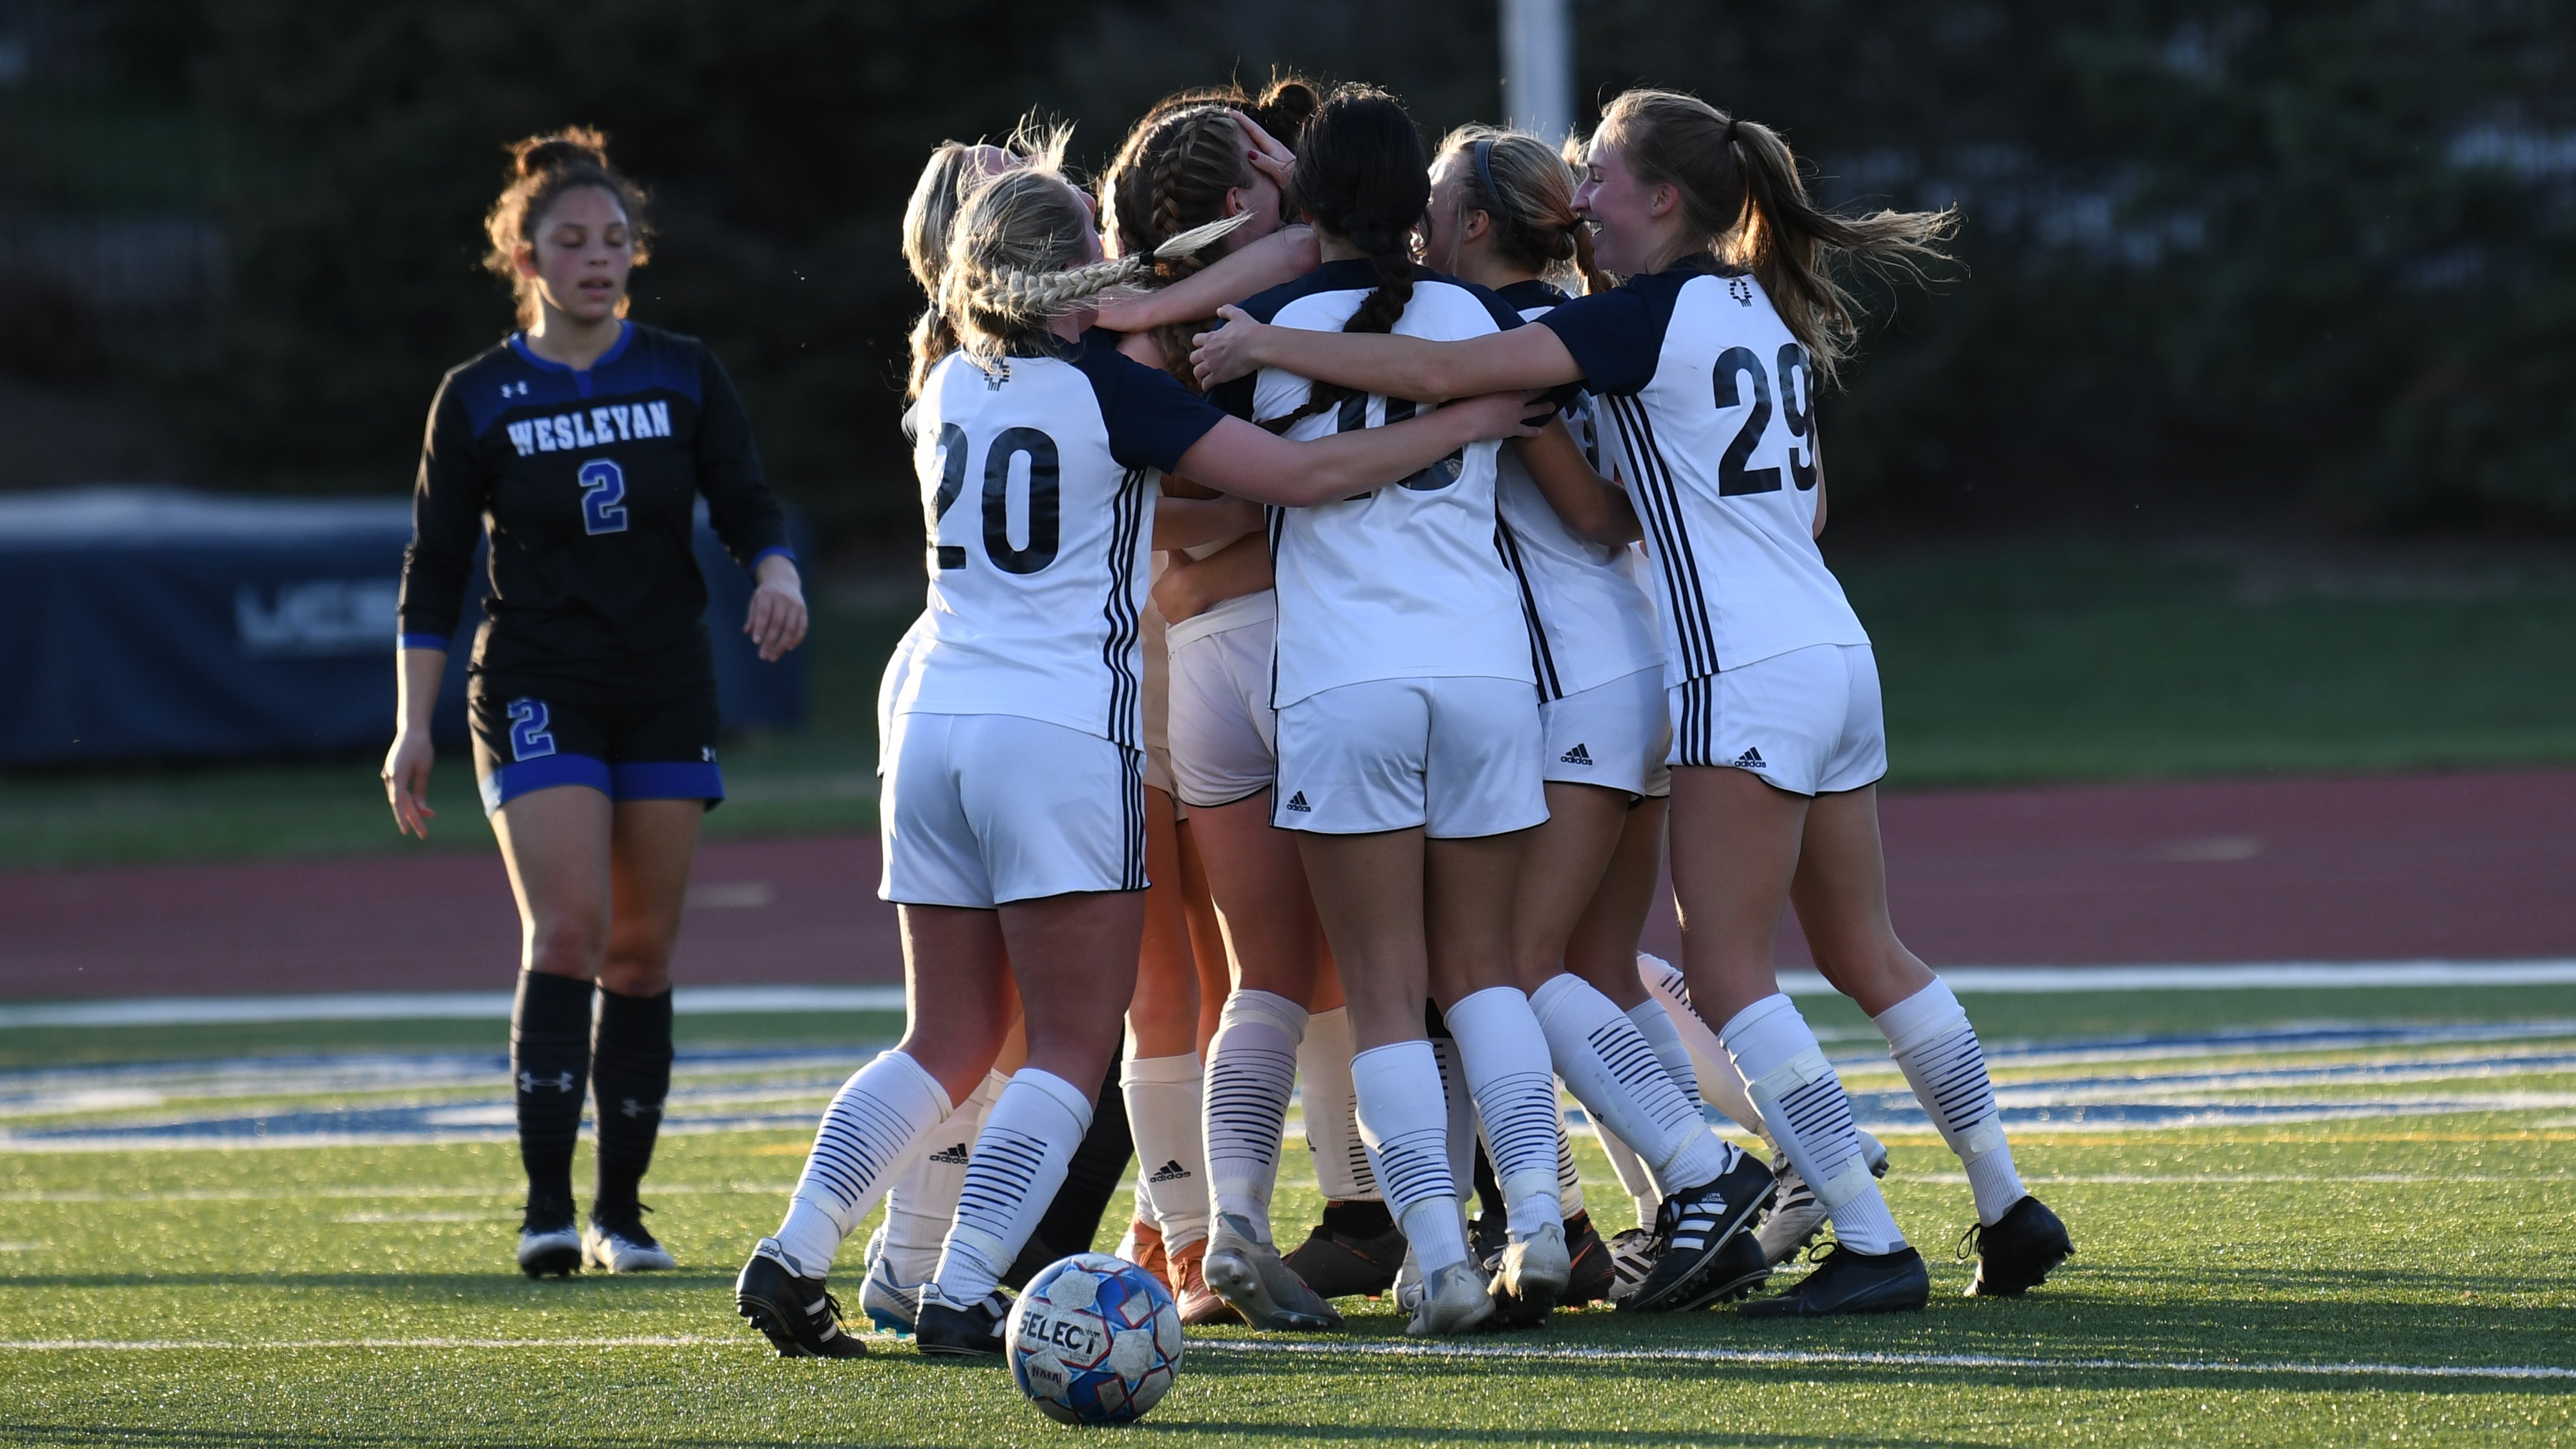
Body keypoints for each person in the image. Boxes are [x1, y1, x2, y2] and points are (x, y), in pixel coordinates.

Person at [1193, 87, 2074, 1315]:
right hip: (1824, 642)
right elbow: (1807, 507)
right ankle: (1999, 1195)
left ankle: (1797, 1206)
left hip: (1691, 669)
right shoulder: (1745, 303)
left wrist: (1267, 336)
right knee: (1831, 948)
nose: (1583, 190)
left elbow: (1456, 381)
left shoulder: (1601, 320)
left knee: (1628, 963)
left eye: (1602, 170)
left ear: (1664, 196)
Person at [733, 136, 1546, 1358]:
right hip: (1060, 732)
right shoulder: (1111, 390)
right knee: (1073, 1038)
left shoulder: (944, 380)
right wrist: (1468, 412)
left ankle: (796, 1251)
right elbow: (1305, 473)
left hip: (940, 716)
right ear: (1073, 273)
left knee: (943, 1037)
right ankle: (960, 1286)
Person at [1191, 85, 1589, 1337]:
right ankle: (1534, 1225)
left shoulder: (1261, 320)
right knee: (1483, 976)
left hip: (1344, 678)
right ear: (1424, 201)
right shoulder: (1473, 313)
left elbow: (1203, 501)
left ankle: (1440, 1255)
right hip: (1482, 675)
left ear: (1309, 204)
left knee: (1380, 986)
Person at [387, 129, 809, 1279]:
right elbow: (433, 569)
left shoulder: (681, 368)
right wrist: (409, 722)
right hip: (534, 678)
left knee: (640, 950)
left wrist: (775, 573)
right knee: (565, 928)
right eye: (570, 241)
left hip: (663, 676)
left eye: (614, 240)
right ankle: (544, 1209)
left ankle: (622, 1211)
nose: (597, 259)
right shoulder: (476, 396)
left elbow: (747, 501)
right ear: (522, 256)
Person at [1413, 124, 1775, 1315]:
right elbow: (1617, 515)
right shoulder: (1588, 321)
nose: (1418, 217)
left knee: (1511, 967)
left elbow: (1582, 513)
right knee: (1596, 964)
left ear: (1475, 222)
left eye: (1435, 197)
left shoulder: (1506, 336)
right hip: (1635, 658)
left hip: (1576, 675)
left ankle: (1703, 1169)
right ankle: (1723, 1185)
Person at [1097, 80, 1391, 1332]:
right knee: (1427, 960)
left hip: (1184, 650)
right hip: (1310, 640)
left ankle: (1216, 1229)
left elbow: (1151, 501)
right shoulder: (1296, 291)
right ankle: (1418, 1211)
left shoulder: (1116, 320)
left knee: (1246, 969)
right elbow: (1294, 475)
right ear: (1240, 198)